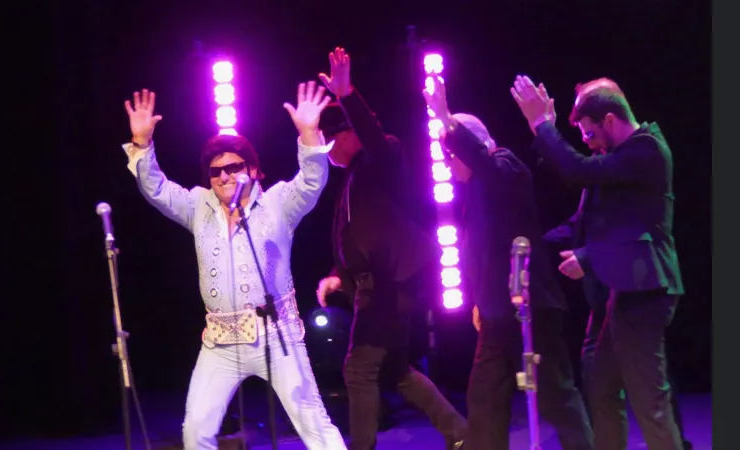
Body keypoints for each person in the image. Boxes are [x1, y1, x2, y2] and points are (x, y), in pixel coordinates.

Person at [121, 84, 347, 450]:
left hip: (277, 336)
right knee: (195, 431)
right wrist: (142, 144)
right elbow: (157, 190)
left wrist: (308, 133)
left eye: (233, 167)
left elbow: (311, 182)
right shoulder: (198, 206)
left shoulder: (277, 203)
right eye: (215, 172)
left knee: (315, 426)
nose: (224, 176)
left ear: (253, 169)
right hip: (221, 343)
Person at [511, 75, 685, 450]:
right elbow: (595, 221)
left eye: (590, 134)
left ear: (608, 120)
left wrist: (541, 125)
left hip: (646, 291)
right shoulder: (621, 157)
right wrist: (532, 248)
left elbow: (581, 176)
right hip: (623, 293)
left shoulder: (646, 150)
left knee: (650, 403)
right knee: (602, 386)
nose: (587, 144)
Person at [422, 75, 594, 450]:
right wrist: (481, 302)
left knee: (555, 397)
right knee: (484, 399)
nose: (449, 165)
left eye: (451, 155)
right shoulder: (476, 189)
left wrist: (447, 119)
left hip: (530, 308)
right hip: (498, 314)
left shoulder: (505, 166)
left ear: (475, 145)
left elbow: (483, 163)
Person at [314, 47, 468, 450]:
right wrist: (336, 273)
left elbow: (372, 133)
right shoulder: (350, 182)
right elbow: (355, 236)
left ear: (347, 134)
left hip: (393, 282)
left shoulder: (382, 156)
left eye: (330, 139)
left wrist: (347, 95)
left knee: (359, 368)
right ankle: (463, 436)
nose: (326, 149)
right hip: (374, 284)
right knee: (396, 371)